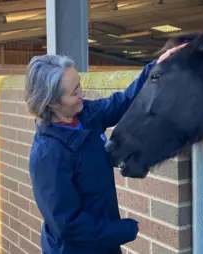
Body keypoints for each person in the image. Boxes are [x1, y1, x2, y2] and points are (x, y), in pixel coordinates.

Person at [24, 45, 184, 254]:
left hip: (103, 244)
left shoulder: (85, 116)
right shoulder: (48, 155)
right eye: (74, 92)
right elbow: (68, 224)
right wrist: (121, 230)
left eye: (79, 85)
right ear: (53, 103)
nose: (82, 93)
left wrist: (155, 69)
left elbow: (124, 102)